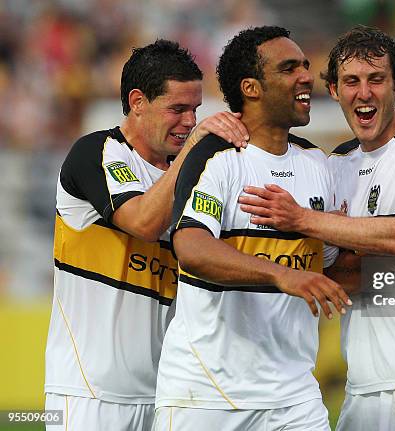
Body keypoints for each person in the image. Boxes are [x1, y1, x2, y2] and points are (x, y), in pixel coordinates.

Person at [239, 25, 395, 430]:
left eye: (376, 80)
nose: (363, 93)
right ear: (333, 90)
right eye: (351, 81)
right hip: (363, 383)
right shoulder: (334, 166)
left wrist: (303, 219)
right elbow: (334, 274)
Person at [152, 26, 351, 431]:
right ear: (252, 87)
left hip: (295, 396)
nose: (306, 77)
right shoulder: (217, 154)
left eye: (306, 66)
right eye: (289, 68)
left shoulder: (318, 165)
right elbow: (191, 246)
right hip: (205, 394)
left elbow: (329, 269)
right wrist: (282, 274)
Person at [45, 39, 249, 430]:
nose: (190, 121)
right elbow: (142, 223)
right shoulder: (96, 152)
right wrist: (194, 150)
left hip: (168, 393)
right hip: (89, 395)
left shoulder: (191, 172)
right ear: (137, 101)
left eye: (195, 110)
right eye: (177, 109)